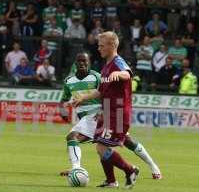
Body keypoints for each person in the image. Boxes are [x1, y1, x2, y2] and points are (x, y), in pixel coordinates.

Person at [60, 52, 161, 180]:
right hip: (88, 119)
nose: (82, 63)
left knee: (126, 142)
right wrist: (62, 110)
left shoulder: (97, 76)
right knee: (87, 142)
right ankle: (113, 175)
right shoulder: (69, 81)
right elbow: (64, 99)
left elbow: (106, 94)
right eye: (79, 61)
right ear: (75, 63)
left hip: (100, 114)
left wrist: (103, 110)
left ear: (89, 62)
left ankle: (150, 166)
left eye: (84, 61)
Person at [73, 32, 146, 189]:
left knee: (101, 147)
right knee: (101, 146)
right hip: (107, 113)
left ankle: (130, 170)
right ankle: (111, 181)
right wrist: (82, 98)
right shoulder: (106, 67)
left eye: (101, 45)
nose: (98, 48)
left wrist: (117, 73)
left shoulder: (118, 63)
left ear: (112, 46)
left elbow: (127, 74)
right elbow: (100, 91)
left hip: (118, 114)